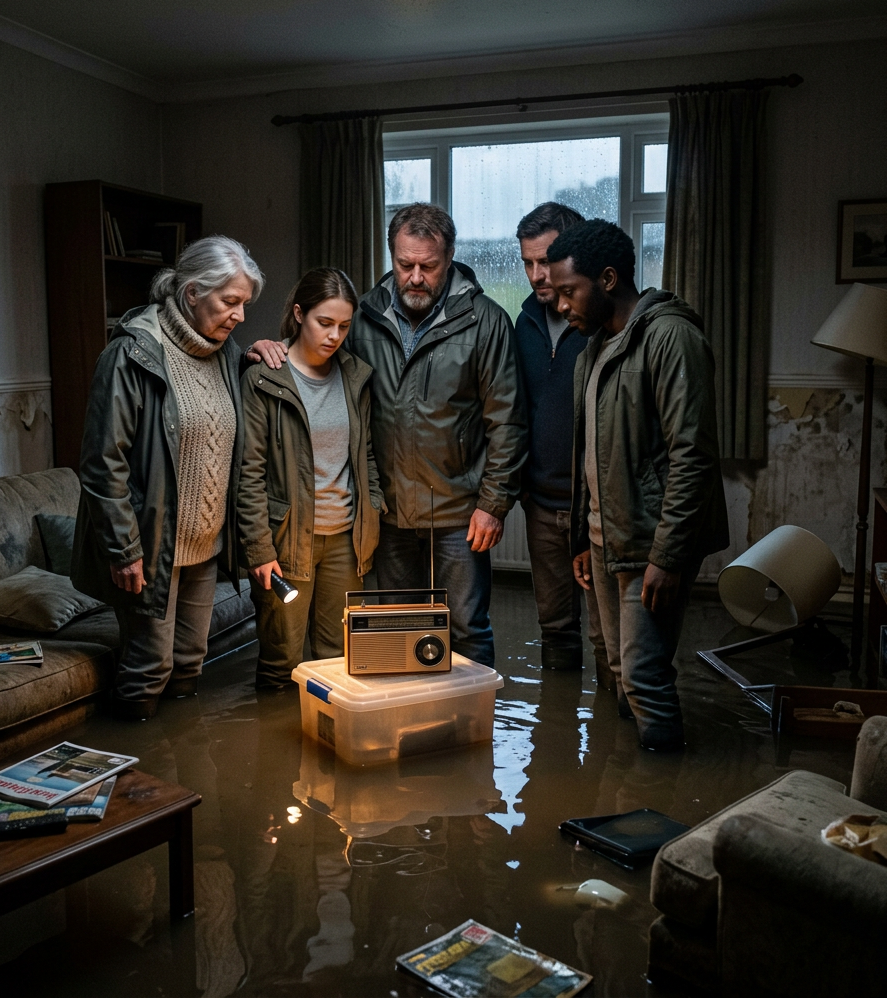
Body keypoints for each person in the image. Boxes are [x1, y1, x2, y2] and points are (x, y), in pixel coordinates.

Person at [249, 204, 525, 667]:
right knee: (399, 624)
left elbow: (508, 421)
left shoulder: (486, 321)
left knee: (466, 625)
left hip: (460, 512)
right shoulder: (364, 315)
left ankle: (470, 726)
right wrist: (262, 348)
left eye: (428, 267)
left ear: (451, 257)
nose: (415, 277)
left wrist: (492, 505)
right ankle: (410, 724)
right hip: (388, 512)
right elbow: (315, 357)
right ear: (392, 255)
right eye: (405, 264)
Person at [548, 219, 728, 750]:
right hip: (608, 541)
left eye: (568, 292)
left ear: (607, 279)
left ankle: (661, 798)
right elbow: (594, 453)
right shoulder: (594, 349)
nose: (561, 306)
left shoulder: (671, 337)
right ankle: (628, 788)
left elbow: (692, 455)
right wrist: (583, 537)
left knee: (645, 676)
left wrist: (668, 557)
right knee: (620, 668)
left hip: (651, 543)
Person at [71, 236, 264, 721]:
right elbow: (101, 462)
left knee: (188, 663)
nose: (239, 315)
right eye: (231, 302)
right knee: (148, 666)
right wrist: (123, 549)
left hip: (205, 544)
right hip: (150, 545)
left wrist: (254, 354)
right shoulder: (131, 355)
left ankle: (179, 773)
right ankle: (136, 775)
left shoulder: (225, 352)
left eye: (244, 304)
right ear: (193, 292)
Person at [238, 268, 383, 688]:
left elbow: (366, 455)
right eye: (324, 323)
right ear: (299, 314)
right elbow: (249, 475)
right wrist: (259, 549)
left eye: (343, 325)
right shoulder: (263, 378)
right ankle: (275, 752)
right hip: (287, 540)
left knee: (337, 661)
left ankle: (325, 744)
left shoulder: (356, 377)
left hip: (346, 540)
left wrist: (371, 507)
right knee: (280, 662)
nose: (334, 335)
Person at [514, 202, 610, 683]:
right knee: (555, 630)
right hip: (541, 505)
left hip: (595, 510)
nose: (536, 275)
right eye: (527, 262)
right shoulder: (525, 321)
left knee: (608, 637)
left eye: (545, 261)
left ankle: (613, 748)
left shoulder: (602, 327)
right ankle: (556, 746)